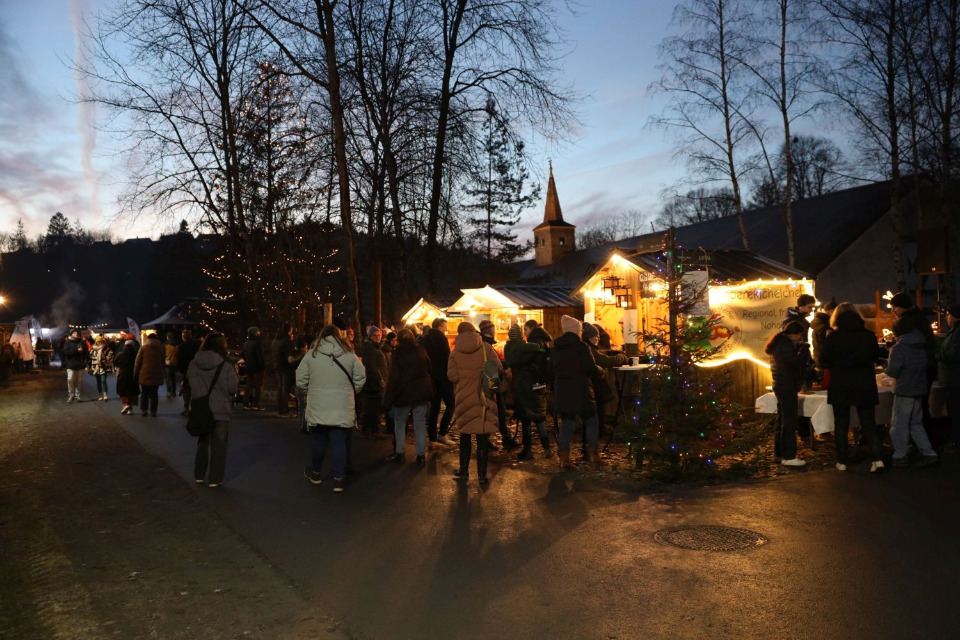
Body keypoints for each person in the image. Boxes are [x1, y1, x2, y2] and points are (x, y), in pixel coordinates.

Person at [820, 303, 886, 473]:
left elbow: (824, 360)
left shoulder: (834, 337)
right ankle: (877, 459)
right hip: (864, 382)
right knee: (869, 422)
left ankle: (842, 461)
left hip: (840, 383)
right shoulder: (869, 335)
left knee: (841, 423)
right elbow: (874, 357)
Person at [299, 325, 366, 492]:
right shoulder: (349, 354)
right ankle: (338, 480)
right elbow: (361, 376)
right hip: (342, 404)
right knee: (339, 442)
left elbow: (300, 379)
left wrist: (310, 391)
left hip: (319, 404)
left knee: (319, 441)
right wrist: (351, 391)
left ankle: (315, 473)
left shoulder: (312, 354)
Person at [448, 322, 502, 484]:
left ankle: (464, 470)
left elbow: (452, 377)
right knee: (482, 438)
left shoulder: (455, 352)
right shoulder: (486, 348)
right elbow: (497, 368)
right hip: (483, 396)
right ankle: (482, 475)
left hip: (464, 398)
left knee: (465, 435)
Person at [187, 333, 239, 488]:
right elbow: (232, 388)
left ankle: (199, 474)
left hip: (201, 407)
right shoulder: (226, 365)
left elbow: (190, 382)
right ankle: (215, 478)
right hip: (220, 408)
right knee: (219, 444)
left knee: (203, 442)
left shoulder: (194, 363)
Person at [550, 315, 600, 470]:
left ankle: (564, 459)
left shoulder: (556, 348)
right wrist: (600, 370)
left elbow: (549, 370)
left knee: (567, 425)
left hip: (563, 391)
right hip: (582, 390)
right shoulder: (581, 347)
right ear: (577, 331)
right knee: (591, 421)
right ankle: (592, 453)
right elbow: (590, 367)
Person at [885, 326, 938, 467]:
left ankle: (900, 455)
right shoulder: (920, 347)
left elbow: (893, 371)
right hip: (918, 389)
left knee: (898, 425)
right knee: (916, 423)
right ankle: (928, 452)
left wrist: (887, 364)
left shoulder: (898, 348)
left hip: (904, 390)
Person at [383, 328, 434, 466]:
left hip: (403, 394)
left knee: (400, 423)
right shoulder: (421, 350)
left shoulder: (398, 353)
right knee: (420, 424)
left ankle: (400, 452)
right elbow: (429, 369)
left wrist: (388, 398)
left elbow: (393, 377)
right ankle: (421, 455)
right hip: (421, 393)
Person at [505, 323, 552, 460]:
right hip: (538, 384)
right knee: (539, 416)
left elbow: (516, 362)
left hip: (527, 384)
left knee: (527, 418)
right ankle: (547, 448)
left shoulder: (533, 346)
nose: (524, 333)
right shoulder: (544, 344)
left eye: (526, 330)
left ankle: (528, 450)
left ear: (532, 330)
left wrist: (511, 359)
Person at [764, 322, 808, 467]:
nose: (801, 337)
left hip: (780, 384)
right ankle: (789, 456)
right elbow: (794, 363)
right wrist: (803, 352)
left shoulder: (779, 343)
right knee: (789, 421)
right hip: (787, 385)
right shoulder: (785, 344)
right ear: (793, 334)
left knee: (782, 419)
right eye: (800, 334)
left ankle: (779, 453)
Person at [582, 322, 627, 446]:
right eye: (596, 337)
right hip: (593, 386)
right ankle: (598, 435)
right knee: (598, 408)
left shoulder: (588, 347)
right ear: (591, 337)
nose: (598, 339)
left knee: (598, 409)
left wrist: (610, 351)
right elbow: (604, 360)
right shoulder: (589, 349)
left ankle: (597, 433)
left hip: (589, 386)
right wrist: (621, 357)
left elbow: (601, 354)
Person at [478, 319, 516, 450]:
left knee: (493, 410)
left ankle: (494, 438)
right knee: (496, 409)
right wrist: (504, 366)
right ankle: (500, 438)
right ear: (490, 331)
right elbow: (495, 364)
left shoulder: (482, 343)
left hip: (486, 380)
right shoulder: (486, 344)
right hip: (491, 380)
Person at [422, 317, 455, 446]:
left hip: (431, 377)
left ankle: (432, 437)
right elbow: (447, 358)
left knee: (434, 407)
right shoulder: (441, 339)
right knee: (451, 404)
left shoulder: (425, 339)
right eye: (445, 327)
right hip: (443, 377)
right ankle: (442, 433)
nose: (446, 329)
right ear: (439, 327)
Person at [358, 326, 388, 437]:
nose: (377, 337)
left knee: (371, 406)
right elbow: (371, 366)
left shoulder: (373, 347)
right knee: (373, 407)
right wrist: (380, 379)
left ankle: (368, 429)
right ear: (370, 336)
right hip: (373, 382)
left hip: (373, 381)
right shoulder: (370, 348)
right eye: (375, 335)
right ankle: (374, 430)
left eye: (379, 335)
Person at [938, 304, 960, 453]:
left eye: (947, 314)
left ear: (953, 315)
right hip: (952, 378)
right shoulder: (954, 331)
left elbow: (954, 354)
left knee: (956, 411)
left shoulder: (957, 332)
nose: (946, 317)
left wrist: (939, 355)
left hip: (956, 378)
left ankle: (957, 442)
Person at [134, 333, 165, 417]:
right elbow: (163, 361)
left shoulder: (143, 348)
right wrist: (163, 372)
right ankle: (153, 411)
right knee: (154, 393)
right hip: (156, 373)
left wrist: (135, 373)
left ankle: (144, 410)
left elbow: (138, 362)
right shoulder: (161, 347)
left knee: (144, 393)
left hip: (144, 373)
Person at [271, 323, 296, 416]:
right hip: (285, 367)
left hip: (277, 366)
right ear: (289, 331)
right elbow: (289, 355)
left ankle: (281, 408)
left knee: (281, 388)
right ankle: (284, 409)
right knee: (285, 389)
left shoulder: (275, 340)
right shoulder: (287, 341)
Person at [62, 328, 89, 403]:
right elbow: (65, 352)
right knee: (70, 379)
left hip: (80, 364)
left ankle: (78, 396)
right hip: (70, 364)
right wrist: (76, 351)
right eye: (74, 333)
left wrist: (83, 352)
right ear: (71, 334)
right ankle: (71, 395)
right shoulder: (67, 342)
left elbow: (86, 353)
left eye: (77, 333)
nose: (76, 334)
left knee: (79, 381)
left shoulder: (82, 342)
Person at [242, 327, 266, 411]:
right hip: (257, 367)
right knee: (258, 385)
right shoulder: (256, 343)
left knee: (248, 385)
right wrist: (262, 365)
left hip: (249, 366)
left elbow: (244, 356)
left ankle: (245, 402)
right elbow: (259, 356)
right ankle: (256, 403)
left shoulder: (246, 343)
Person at [177, 329, 200, 416]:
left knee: (186, 390)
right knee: (195, 389)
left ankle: (187, 407)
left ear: (183, 337)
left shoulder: (182, 346)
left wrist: (181, 370)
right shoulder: (197, 345)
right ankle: (194, 407)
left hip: (187, 370)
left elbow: (180, 359)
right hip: (197, 370)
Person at [114, 340, 140, 414]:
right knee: (131, 391)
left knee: (123, 391)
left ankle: (126, 404)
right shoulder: (136, 354)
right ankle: (130, 409)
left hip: (123, 374)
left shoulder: (121, 354)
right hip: (133, 374)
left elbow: (115, 362)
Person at [810, 298, 837, 370]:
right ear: (831, 312)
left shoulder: (820, 323)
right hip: (825, 364)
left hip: (820, 361)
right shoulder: (824, 326)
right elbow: (825, 347)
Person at [89, 336, 114, 401]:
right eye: (98, 341)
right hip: (96, 367)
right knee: (98, 382)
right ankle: (100, 394)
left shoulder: (107, 349)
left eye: (101, 341)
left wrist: (104, 359)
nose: (100, 343)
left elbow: (111, 356)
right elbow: (90, 357)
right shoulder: (93, 349)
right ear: (96, 342)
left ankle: (105, 394)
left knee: (103, 381)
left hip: (104, 367)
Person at [163, 331, 180, 398]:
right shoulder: (176, 345)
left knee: (168, 378)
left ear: (167, 337)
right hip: (174, 363)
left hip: (167, 363)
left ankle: (168, 391)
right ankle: (174, 392)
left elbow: (163, 354)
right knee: (173, 378)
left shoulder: (165, 345)